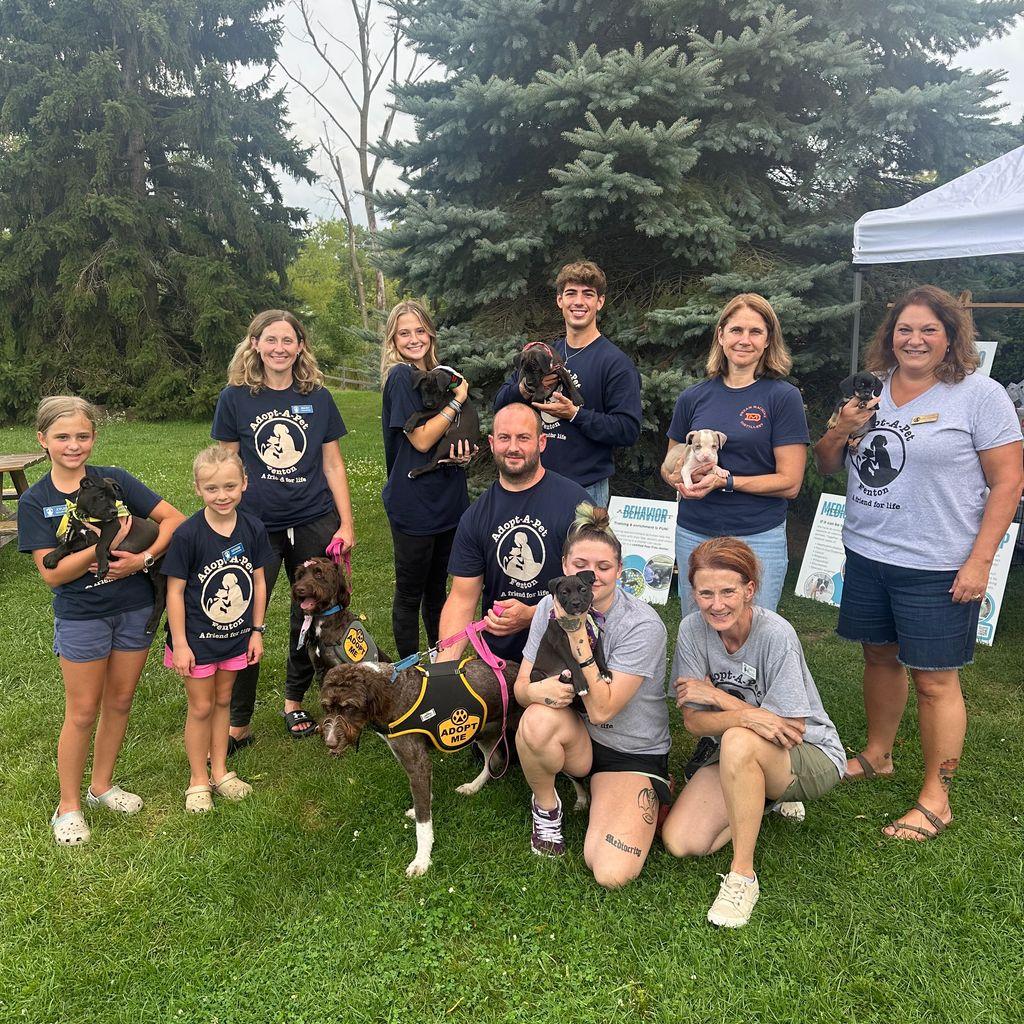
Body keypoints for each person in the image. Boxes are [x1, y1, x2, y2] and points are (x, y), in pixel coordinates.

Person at [813, 285, 1023, 841]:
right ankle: (879, 754)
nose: (915, 339)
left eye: (930, 329)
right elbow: (828, 463)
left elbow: (1008, 482)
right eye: (905, 329)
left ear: (952, 337)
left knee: (934, 680)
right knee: (878, 656)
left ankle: (937, 797)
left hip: (938, 563)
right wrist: (842, 427)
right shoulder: (870, 390)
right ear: (891, 337)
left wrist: (980, 561)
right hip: (867, 551)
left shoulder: (980, 395)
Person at [19, 396, 185, 845]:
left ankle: (101, 786)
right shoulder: (37, 500)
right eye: (62, 437)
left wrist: (143, 557)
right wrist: (100, 546)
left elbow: (175, 520)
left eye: (82, 436)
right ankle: (68, 805)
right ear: (43, 441)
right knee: (82, 711)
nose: (73, 445)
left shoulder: (115, 481)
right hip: (83, 616)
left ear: (93, 437)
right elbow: (51, 574)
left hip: (133, 608)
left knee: (120, 701)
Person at [661, 537, 845, 927]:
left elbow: (787, 729)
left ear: (750, 590)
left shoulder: (776, 634)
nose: (716, 604)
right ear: (692, 592)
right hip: (740, 747)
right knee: (681, 842)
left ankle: (743, 877)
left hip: (810, 753)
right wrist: (753, 716)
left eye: (728, 591)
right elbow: (694, 722)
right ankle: (762, 797)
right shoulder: (693, 630)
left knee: (740, 739)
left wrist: (717, 696)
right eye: (705, 593)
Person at [212, 309, 355, 744]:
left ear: (300, 346)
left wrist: (346, 522)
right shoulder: (235, 397)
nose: (279, 348)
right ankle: (238, 721)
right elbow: (226, 464)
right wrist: (224, 521)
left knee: (309, 613)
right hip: (255, 525)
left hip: (314, 519)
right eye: (270, 340)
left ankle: (295, 702)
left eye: (288, 340)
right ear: (255, 343)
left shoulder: (318, 397)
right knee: (243, 613)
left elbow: (332, 463)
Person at [513, 505, 670, 887]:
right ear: (566, 564)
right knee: (534, 719)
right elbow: (520, 689)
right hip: (580, 738)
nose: (594, 575)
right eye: (582, 563)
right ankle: (548, 809)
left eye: (604, 566)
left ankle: (636, 793)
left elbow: (601, 710)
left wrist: (575, 630)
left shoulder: (643, 625)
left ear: (619, 570)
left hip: (628, 749)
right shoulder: (547, 608)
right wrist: (538, 691)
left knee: (610, 872)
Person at [663, 293, 808, 618]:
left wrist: (726, 480)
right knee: (697, 631)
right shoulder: (693, 397)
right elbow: (670, 460)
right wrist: (675, 477)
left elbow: (790, 482)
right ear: (721, 335)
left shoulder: (782, 398)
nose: (744, 340)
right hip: (695, 533)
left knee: (754, 633)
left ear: (768, 340)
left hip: (757, 536)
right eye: (736, 330)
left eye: (755, 332)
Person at [436, 403, 589, 664]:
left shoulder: (575, 503)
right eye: (505, 438)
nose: (513, 447)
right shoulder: (476, 517)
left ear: (542, 442)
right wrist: (443, 672)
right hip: (498, 660)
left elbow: (597, 590)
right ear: (492, 443)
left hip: (564, 652)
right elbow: (462, 598)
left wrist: (532, 614)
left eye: (523, 438)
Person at [162, 447, 271, 813]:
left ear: (244, 483)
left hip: (237, 637)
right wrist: (180, 643)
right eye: (212, 489)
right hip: (196, 641)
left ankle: (221, 770)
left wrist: (256, 630)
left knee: (223, 701)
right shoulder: (188, 534)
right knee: (201, 705)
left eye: (229, 486)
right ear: (197, 489)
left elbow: (258, 581)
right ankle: (197, 779)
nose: (222, 496)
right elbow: (174, 591)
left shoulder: (253, 527)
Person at [494, 261, 642, 507]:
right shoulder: (543, 354)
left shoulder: (615, 363)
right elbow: (499, 405)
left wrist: (574, 414)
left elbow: (627, 430)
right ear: (560, 300)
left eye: (588, 294)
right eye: (571, 293)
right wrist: (525, 388)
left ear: (600, 302)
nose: (579, 302)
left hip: (585, 490)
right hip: (534, 483)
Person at [380, 300, 474, 657]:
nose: (414, 339)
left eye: (420, 330)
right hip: (414, 502)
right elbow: (419, 438)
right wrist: (457, 403)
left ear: (431, 333)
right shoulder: (402, 378)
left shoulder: (442, 375)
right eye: (404, 332)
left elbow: (450, 436)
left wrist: (463, 454)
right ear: (393, 339)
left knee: (437, 589)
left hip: (448, 498)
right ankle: (408, 669)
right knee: (410, 592)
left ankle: (438, 663)